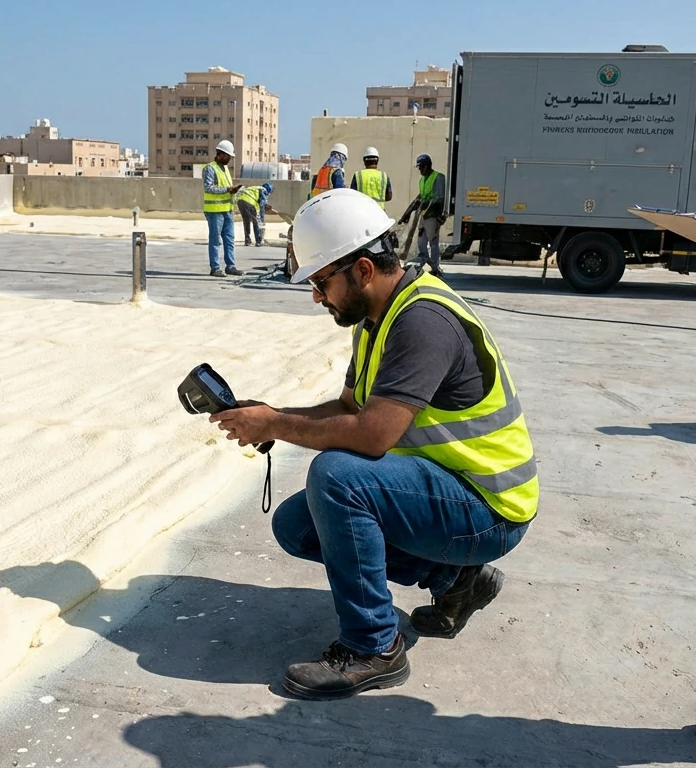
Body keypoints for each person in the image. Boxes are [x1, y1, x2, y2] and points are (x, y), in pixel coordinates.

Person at [210, 188, 539, 701]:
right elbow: (348, 408)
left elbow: (370, 434)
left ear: (363, 270)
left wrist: (275, 426)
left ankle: (373, 647)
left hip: (489, 506)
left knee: (337, 477)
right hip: (449, 489)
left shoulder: (422, 322)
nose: (317, 296)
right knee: (297, 525)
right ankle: (457, 580)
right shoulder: (378, 318)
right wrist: (271, 414)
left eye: (322, 282)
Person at [398, 154, 446, 278]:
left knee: (433, 242)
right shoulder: (422, 180)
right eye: (419, 168)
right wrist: (406, 214)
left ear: (427, 166)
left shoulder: (438, 177)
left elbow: (439, 198)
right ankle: (426, 263)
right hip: (424, 216)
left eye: (421, 168)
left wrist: (441, 216)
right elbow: (419, 198)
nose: (420, 170)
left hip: (433, 215)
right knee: (421, 243)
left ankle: (435, 268)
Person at [202, 140, 244, 277]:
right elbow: (209, 187)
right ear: (220, 154)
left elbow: (227, 189)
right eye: (228, 156)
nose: (229, 159)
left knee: (229, 239)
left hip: (227, 210)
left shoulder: (225, 169)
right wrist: (228, 189)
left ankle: (230, 266)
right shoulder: (210, 168)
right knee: (215, 240)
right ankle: (215, 268)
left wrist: (234, 191)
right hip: (214, 211)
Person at [237, 182, 276, 246]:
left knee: (246, 221)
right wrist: (261, 219)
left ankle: (247, 240)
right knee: (256, 222)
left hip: (240, 202)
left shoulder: (255, 188)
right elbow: (261, 206)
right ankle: (258, 241)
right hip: (249, 203)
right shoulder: (263, 190)